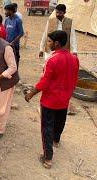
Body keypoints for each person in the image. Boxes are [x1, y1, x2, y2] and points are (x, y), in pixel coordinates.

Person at [25, 30, 79, 169]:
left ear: (56, 43)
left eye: (49, 42)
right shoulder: (74, 58)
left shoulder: (52, 59)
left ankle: (48, 158)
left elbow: (45, 82)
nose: (47, 44)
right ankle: (56, 140)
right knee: (60, 121)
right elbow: (74, 79)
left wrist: (31, 93)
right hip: (64, 99)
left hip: (50, 100)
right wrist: (68, 94)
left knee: (46, 128)